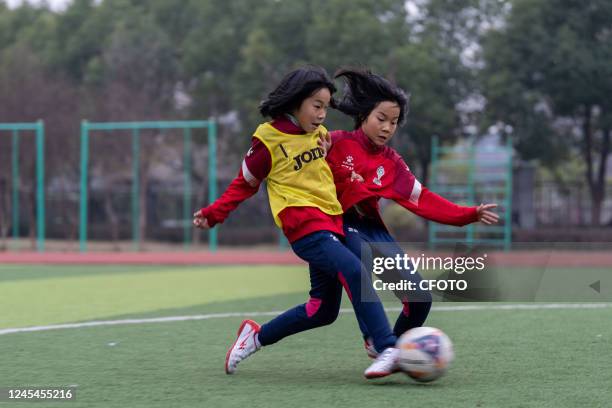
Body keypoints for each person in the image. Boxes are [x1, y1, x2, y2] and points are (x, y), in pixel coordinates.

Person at [193, 66, 401, 379]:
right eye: (316, 106)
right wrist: (214, 213)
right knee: (356, 269)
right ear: (295, 101)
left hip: (331, 226)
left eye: (325, 108)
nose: (321, 115)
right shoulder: (268, 142)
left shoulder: (319, 136)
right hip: (305, 227)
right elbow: (244, 184)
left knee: (323, 310)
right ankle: (385, 346)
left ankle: (255, 336)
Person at [326, 68, 499, 358]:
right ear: (364, 115)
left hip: (372, 228)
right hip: (338, 226)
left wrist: (469, 214)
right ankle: (376, 341)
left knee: (420, 299)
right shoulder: (333, 142)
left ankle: (394, 350)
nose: (387, 128)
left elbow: (424, 200)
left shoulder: (392, 163)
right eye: (381, 119)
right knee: (358, 269)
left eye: (393, 122)